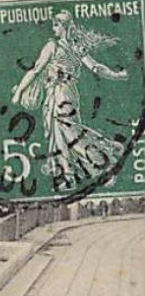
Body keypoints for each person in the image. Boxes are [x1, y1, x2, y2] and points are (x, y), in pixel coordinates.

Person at [11, 11, 128, 192]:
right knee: (62, 134)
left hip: (59, 93)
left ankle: (101, 163)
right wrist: (117, 75)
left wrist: (19, 92)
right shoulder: (76, 47)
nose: (53, 28)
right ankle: (69, 176)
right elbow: (96, 68)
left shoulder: (53, 46)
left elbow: (35, 70)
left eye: (56, 25)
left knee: (67, 133)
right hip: (66, 93)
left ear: (64, 26)